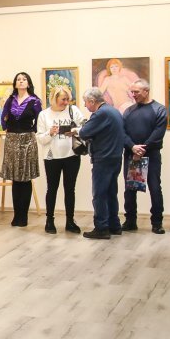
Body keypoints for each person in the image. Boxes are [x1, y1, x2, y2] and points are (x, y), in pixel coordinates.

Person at [73, 87, 127, 239]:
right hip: (115, 157)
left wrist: (77, 130)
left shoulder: (100, 113)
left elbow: (84, 132)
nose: (85, 105)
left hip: (103, 158)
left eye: (85, 102)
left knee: (99, 194)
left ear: (92, 101)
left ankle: (101, 227)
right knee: (111, 193)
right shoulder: (113, 111)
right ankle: (114, 225)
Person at [35, 85, 84, 234]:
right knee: (52, 189)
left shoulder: (73, 110)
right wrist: (50, 133)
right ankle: (49, 221)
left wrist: (74, 130)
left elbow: (85, 127)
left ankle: (70, 221)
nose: (66, 102)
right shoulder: (44, 115)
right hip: (51, 157)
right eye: (63, 99)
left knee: (70, 189)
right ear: (54, 99)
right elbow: (40, 139)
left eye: (68, 99)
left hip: (72, 156)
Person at [121, 79, 167, 233]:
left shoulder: (159, 109)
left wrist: (141, 150)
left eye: (136, 92)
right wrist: (132, 147)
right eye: (132, 92)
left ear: (146, 91)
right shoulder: (129, 111)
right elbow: (122, 132)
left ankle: (157, 223)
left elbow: (158, 134)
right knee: (130, 189)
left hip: (151, 155)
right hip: (131, 154)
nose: (133, 95)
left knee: (155, 188)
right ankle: (130, 221)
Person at [0, 72, 42, 227]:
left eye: (24, 79)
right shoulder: (10, 100)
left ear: (28, 83)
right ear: (15, 84)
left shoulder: (35, 101)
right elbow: (4, 116)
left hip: (27, 140)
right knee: (15, 178)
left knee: (25, 178)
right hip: (11, 139)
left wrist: (31, 131)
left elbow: (40, 120)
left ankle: (23, 216)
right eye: (18, 79)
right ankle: (16, 215)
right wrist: (7, 128)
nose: (21, 81)